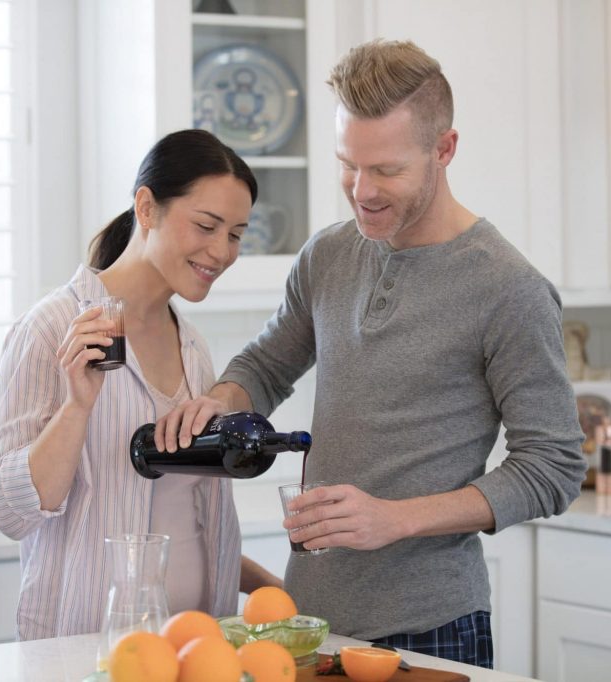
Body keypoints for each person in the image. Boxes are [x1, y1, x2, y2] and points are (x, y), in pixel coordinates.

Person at [153, 40, 587, 668]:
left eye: (386, 169)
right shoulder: (328, 255)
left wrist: (395, 519)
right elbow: (268, 364)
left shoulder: (508, 289)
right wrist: (216, 402)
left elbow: (553, 467)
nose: (362, 191)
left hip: (432, 628)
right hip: (310, 624)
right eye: (348, 165)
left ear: (445, 149)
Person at [0, 129, 281, 641]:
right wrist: (78, 405)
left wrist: (268, 585)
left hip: (196, 650)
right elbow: (10, 511)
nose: (221, 251)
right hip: (83, 652)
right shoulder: (52, 328)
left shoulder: (192, 347)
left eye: (235, 234)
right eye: (206, 225)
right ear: (147, 207)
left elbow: (190, 520)